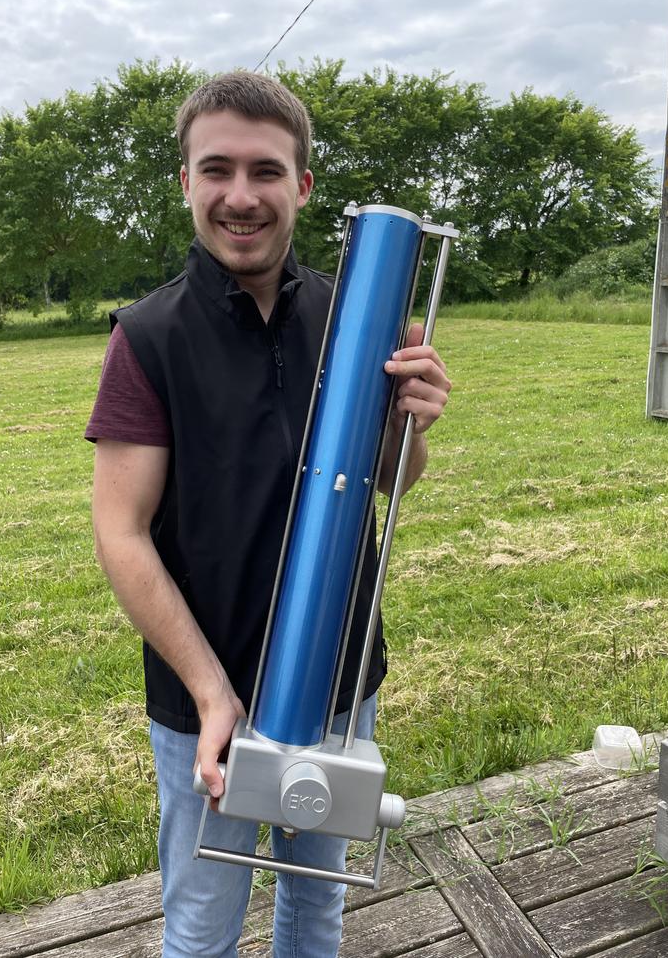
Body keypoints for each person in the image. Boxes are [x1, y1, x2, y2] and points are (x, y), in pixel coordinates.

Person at [86, 71, 451, 958]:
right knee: (203, 927)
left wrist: (412, 426)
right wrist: (213, 693)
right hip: (200, 701)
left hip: (333, 686)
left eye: (265, 170)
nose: (240, 197)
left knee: (315, 908)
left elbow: (389, 485)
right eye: (216, 170)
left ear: (302, 185)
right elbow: (120, 532)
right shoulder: (148, 336)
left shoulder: (353, 315)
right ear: (185, 182)